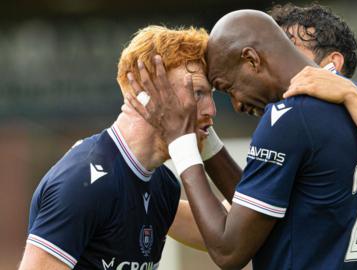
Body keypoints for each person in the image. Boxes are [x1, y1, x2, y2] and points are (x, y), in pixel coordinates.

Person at [125, 9, 357, 269]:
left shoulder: (287, 117)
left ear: (252, 59)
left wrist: (182, 143)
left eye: (228, 87)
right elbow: (264, 214)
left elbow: (228, 249)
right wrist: (204, 137)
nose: (236, 104)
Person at [18, 25, 216, 270]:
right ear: (147, 92)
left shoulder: (163, 185)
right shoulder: (84, 182)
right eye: (198, 93)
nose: (211, 110)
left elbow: (225, 233)